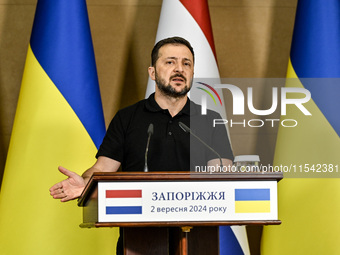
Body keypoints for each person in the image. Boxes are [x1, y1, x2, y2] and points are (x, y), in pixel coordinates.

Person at [49, 37, 234, 254]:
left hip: (197, 238)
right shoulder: (127, 118)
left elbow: (221, 175)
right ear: (152, 72)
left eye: (186, 63)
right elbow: (102, 169)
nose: (179, 69)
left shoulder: (210, 120)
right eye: (170, 62)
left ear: (192, 73)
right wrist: (87, 185)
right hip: (138, 239)